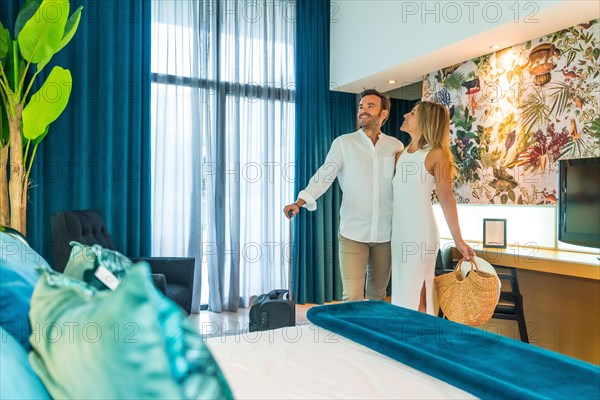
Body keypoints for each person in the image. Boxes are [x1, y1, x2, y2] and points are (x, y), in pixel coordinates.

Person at [283, 89, 404, 301]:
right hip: (353, 233)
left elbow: (404, 185)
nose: (363, 111)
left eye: (370, 106)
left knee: (378, 296)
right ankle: (349, 334)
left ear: (384, 114)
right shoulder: (343, 143)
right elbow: (324, 175)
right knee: (352, 297)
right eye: (361, 106)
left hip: (385, 234)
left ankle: (369, 334)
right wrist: (300, 201)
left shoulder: (395, 146)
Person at [391, 101, 475, 314]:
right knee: (402, 290)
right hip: (399, 233)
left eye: (412, 113)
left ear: (425, 121)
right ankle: (405, 340)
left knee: (418, 289)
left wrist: (458, 240)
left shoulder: (437, 154)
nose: (405, 115)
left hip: (420, 232)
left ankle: (419, 339)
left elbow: (446, 198)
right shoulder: (400, 155)